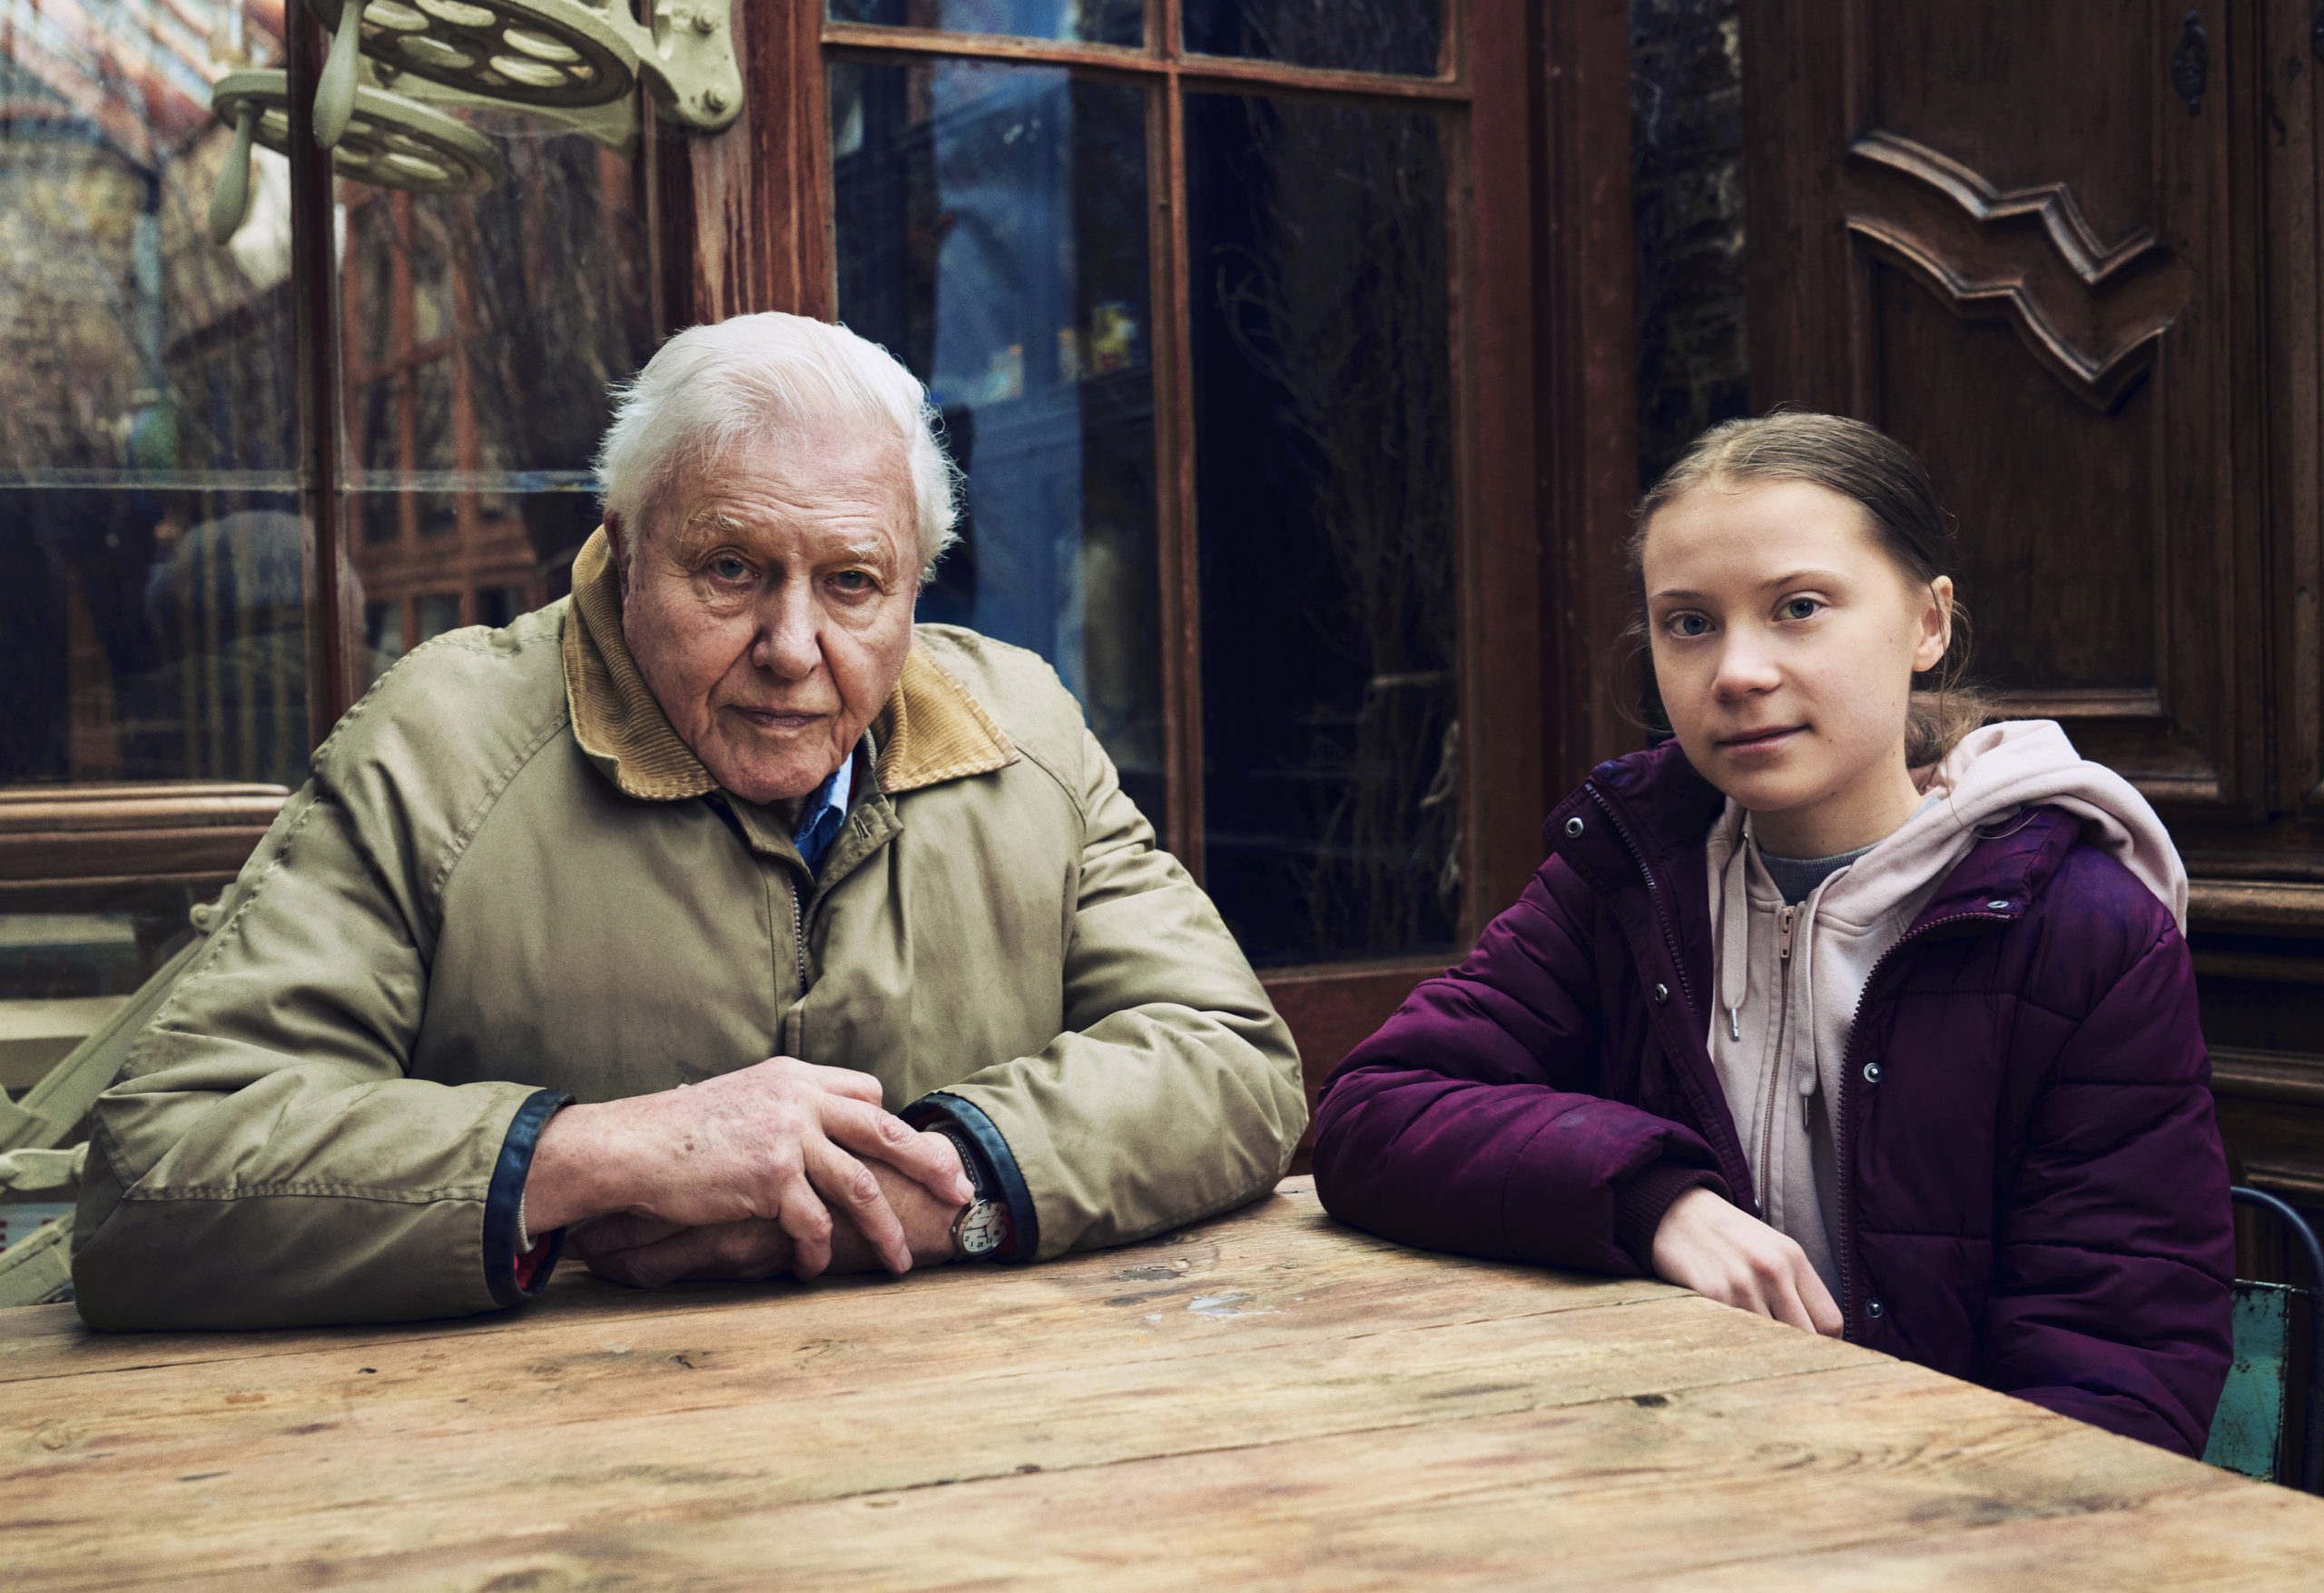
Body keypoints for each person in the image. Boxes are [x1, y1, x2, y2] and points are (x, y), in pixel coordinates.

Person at [72, 312, 1305, 1329]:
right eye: (729, 569)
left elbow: (1232, 1056)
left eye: (852, 582)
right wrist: (594, 1153)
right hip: (532, 1488)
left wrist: (947, 1184)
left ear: (915, 585)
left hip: (981, 1471)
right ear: (623, 547)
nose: (791, 646)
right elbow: (158, 1172)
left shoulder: (1021, 726)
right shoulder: (441, 744)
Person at [1311, 412, 2233, 1456]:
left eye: (1798, 608)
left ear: (1928, 622)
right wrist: (1652, 1199)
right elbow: (1373, 1114)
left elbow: (2118, 1364)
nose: (1736, 672)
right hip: (1664, 1473)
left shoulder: (2080, 932)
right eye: (1687, 624)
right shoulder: (1626, 877)